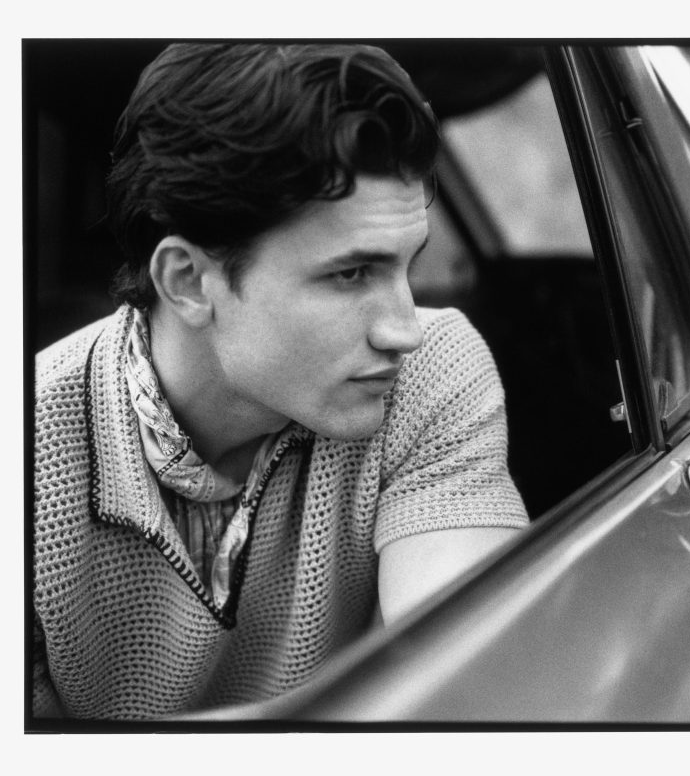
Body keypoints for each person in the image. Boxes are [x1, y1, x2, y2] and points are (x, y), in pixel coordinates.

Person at [32, 43, 529, 720]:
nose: (403, 329)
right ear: (188, 281)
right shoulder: (33, 455)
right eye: (351, 274)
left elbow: (471, 686)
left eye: (406, 265)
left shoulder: (430, 371)